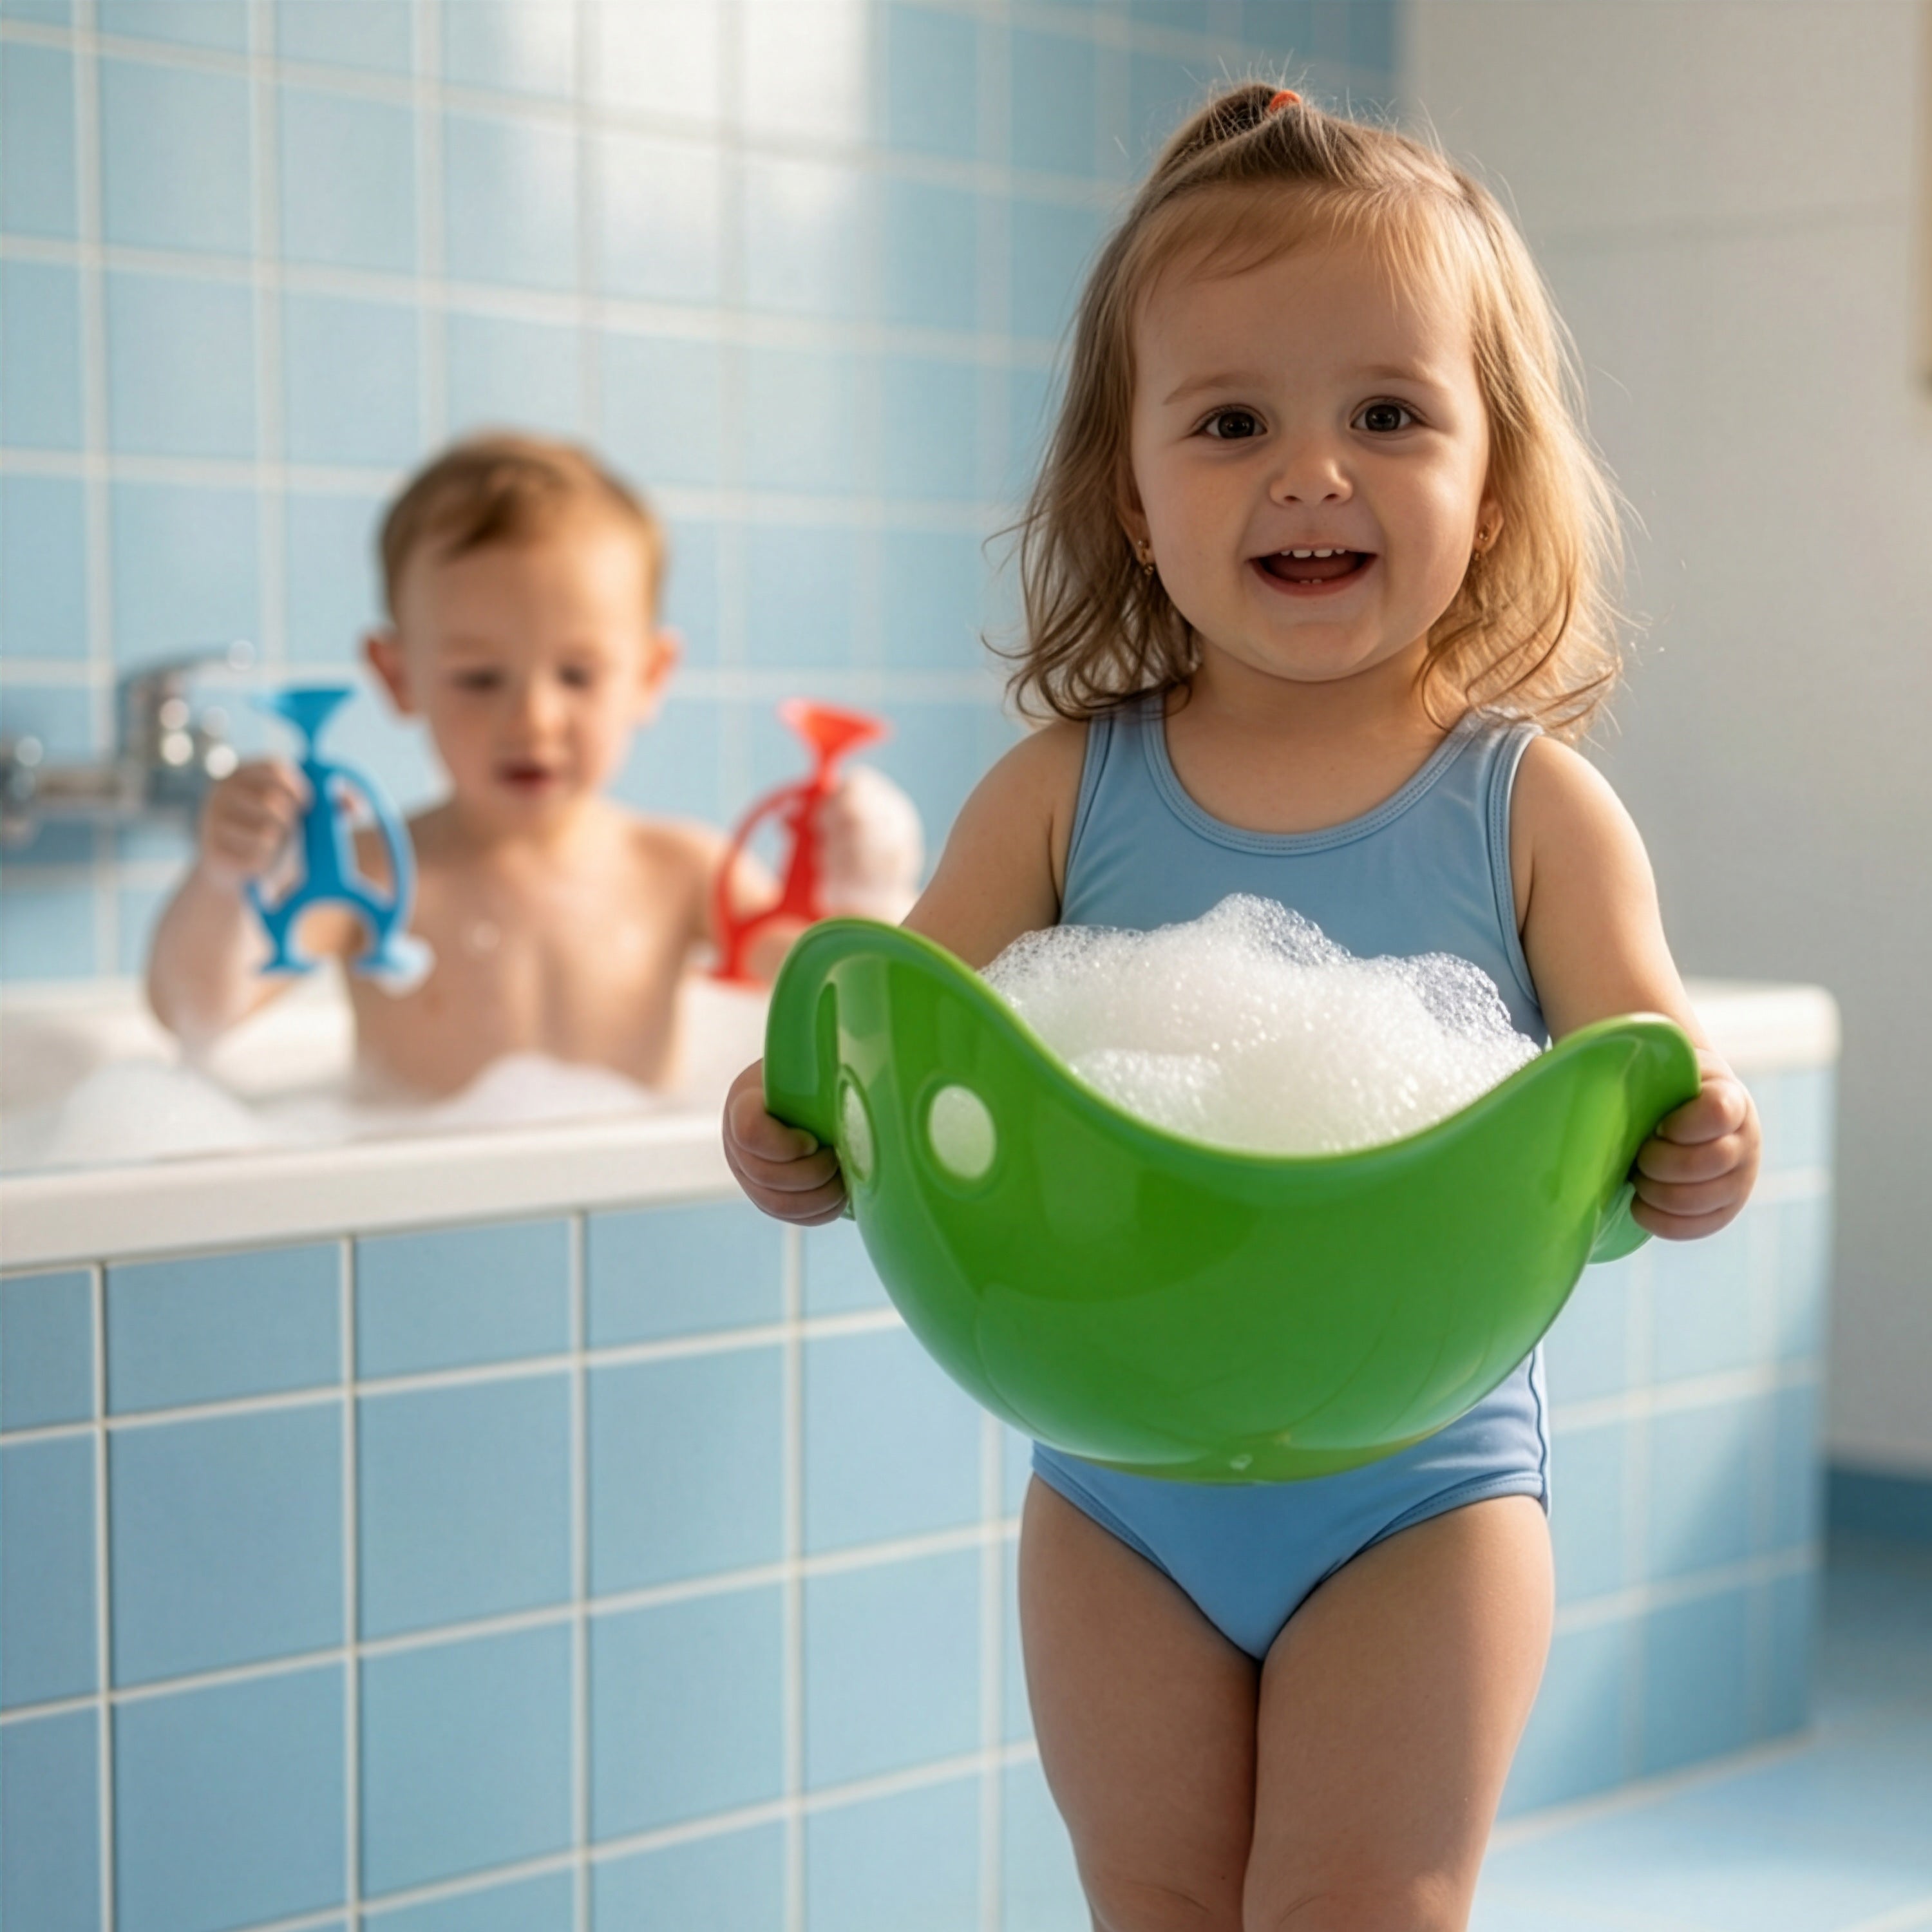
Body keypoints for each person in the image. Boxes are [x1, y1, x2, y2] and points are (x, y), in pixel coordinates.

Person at [723, 84, 1761, 1931]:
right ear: (1134, 493)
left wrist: (1701, 1151)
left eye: (1387, 414)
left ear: (1491, 476)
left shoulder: (1530, 809)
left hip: (1420, 1495)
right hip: (1119, 1495)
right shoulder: (1060, 794)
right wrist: (791, 1125)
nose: (1314, 471)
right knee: (1160, 1905)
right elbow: (886, 1039)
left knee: (1362, 1904)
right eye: (1231, 422)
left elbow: (1650, 1094)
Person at [147, 433, 922, 1097]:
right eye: (480, 679)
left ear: (648, 676)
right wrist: (225, 880)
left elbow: (843, 1013)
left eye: (578, 676)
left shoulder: (678, 871)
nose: (533, 719)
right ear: (398, 675)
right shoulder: (375, 877)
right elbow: (195, 1013)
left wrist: (871, 893)